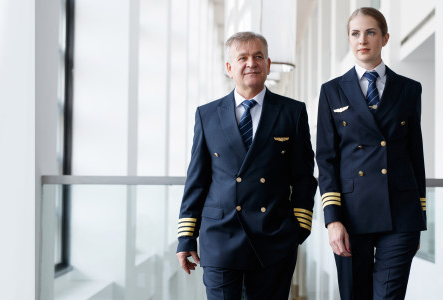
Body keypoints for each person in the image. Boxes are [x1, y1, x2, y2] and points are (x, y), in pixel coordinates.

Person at [176, 31, 317, 300]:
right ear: (230, 68)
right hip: (220, 237)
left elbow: (303, 177)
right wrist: (186, 237)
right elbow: (197, 180)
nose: (251, 63)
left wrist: (299, 228)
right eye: (242, 57)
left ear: (268, 64)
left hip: (274, 237)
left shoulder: (292, 112)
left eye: (258, 56)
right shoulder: (207, 115)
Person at [316, 7, 427, 300]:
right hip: (351, 214)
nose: (362, 39)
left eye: (370, 32)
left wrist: (419, 216)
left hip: (401, 212)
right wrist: (332, 219)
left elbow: (416, 153)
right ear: (349, 39)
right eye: (355, 33)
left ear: (385, 38)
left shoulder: (409, 89)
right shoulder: (331, 91)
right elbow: (326, 160)